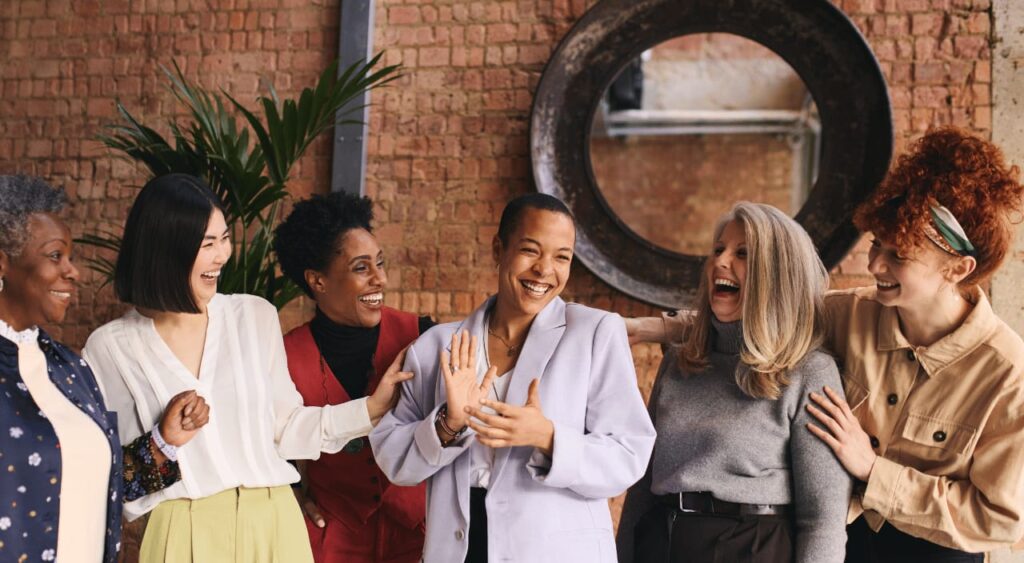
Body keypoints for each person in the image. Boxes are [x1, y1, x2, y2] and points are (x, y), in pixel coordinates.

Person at [625, 127, 1024, 561]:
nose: (875, 264)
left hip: (934, 551)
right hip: (848, 541)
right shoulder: (849, 313)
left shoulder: (1007, 375)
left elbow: (1000, 518)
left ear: (958, 269)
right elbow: (762, 313)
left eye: (899, 255)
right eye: (876, 244)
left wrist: (874, 471)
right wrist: (656, 329)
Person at [82, 173, 412, 563]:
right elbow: (114, 478)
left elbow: (286, 428)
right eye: (208, 244)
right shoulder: (110, 348)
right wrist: (163, 439)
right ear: (166, 249)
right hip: (182, 530)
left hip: (273, 523)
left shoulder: (253, 316)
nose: (223, 255)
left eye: (224, 239)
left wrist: (371, 409)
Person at [369, 193, 656, 563]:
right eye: (531, 250)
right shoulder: (436, 347)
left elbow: (628, 456)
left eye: (561, 257)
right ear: (498, 249)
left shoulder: (596, 333)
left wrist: (547, 437)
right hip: (459, 548)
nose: (544, 270)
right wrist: (448, 424)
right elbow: (394, 460)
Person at [616, 202, 851, 563]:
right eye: (718, 250)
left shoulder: (809, 372)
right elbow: (642, 488)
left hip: (751, 547)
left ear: (777, 273)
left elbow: (822, 519)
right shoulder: (680, 361)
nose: (720, 262)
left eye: (742, 253)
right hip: (660, 541)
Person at [0, 175, 203, 563]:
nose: (73, 271)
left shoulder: (69, 368)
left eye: (70, 258)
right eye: (55, 256)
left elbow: (106, 483)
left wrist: (165, 441)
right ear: (3, 263)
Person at [273, 192, 431, 563]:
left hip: (418, 537)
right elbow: (268, 445)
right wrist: (292, 495)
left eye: (379, 263)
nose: (381, 279)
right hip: (331, 540)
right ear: (318, 281)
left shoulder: (421, 336)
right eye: (362, 268)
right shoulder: (284, 356)